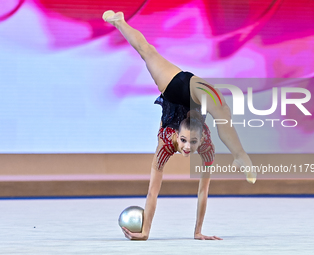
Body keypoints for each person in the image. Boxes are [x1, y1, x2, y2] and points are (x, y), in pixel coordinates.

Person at [102, 11, 256, 240]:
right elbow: (152, 192)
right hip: (177, 87)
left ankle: (240, 154)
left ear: (201, 139)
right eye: (184, 141)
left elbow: (203, 191)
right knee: (147, 51)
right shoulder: (166, 145)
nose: (186, 147)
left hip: (188, 93)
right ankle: (119, 21)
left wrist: (198, 232)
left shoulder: (205, 147)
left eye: (192, 143)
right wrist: (145, 232)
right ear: (176, 135)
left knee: (221, 109)